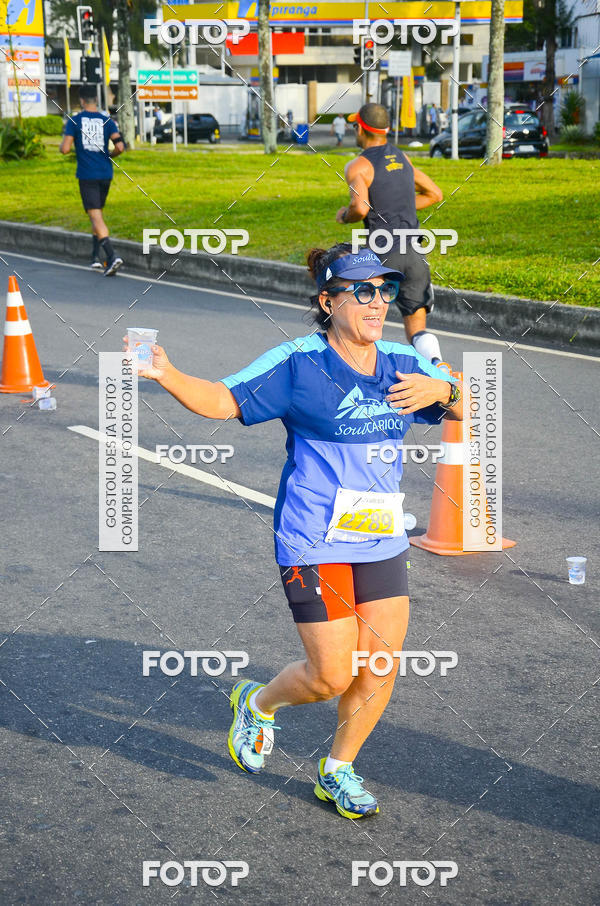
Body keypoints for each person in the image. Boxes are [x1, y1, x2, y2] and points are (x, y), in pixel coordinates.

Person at [133, 243, 463, 819]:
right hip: (314, 538)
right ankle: (258, 703)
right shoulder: (298, 363)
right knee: (331, 676)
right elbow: (223, 400)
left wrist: (447, 391)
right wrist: (168, 373)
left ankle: (338, 770)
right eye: (363, 291)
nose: (378, 302)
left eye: (385, 291)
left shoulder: (402, 360)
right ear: (328, 301)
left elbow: (467, 407)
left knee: (379, 664)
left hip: (382, 538)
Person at [336, 103, 445, 365]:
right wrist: (399, 206)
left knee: (361, 324)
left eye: (355, 125)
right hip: (414, 254)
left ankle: (363, 376)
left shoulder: (358, 166)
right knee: (417, 330)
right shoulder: (403, 158)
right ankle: (437, 364)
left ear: (361, 129)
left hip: (382, 255)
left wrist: (344, 216)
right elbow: (435, 194)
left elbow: (360, 208)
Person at [59, 83, 124, 276]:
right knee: (97, 214)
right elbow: (120, 146)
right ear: (96, 99)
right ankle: (95, 258)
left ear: (81, 101)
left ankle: (111, 256)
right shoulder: (107, 121)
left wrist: (62, 146)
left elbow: (65, 149)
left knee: (95, 216)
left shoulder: (75, 120)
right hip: (105, 174)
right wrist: (109, 155)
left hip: (88, 175)